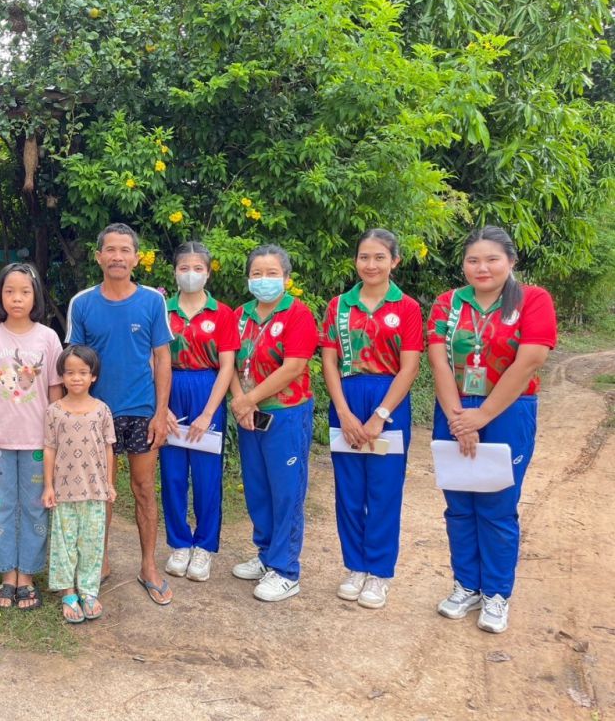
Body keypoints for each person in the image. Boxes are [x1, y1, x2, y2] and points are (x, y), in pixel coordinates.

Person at [427, 226, 556, 634]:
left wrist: (481, 416)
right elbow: (438, 360)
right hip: (454, 407)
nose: (482, 268)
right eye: (473, 260)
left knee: (498, 504)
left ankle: (497, 594)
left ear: (511, 261)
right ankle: (466, 585)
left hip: (508, 409)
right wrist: (459, 417)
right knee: (459, 503)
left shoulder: (532, 299)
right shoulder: (448, 302)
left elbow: (530, 359)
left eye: (492, 259)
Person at [66, 222, 174, 605]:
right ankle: (99, 561)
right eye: (110, 250)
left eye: (125, 250)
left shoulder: (152, 301)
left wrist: (161, 413)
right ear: (98, 257)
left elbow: (162, 358)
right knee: (101, 495)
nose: (117, 257)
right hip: (97, 415)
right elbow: (74, 363)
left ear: (136, 258)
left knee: (143, 488)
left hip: (142, 412)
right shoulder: (82, 303)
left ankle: (148, 566)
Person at [320, 229, 423, 609]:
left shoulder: (407, 307)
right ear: (355, 261)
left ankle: (379, 572)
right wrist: (344, 412)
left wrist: (381, 415)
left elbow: (410, 366)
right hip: (346, 398)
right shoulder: (338, 306)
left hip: (389, 401)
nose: (371, 264)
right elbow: (329, 360)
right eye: (364, 256)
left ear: (395, 261)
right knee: (348, 490)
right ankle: (355, 566)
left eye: (380, 257)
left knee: (383, 491)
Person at [0, 263, 63, 610]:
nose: (17, 298)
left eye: (25, 291)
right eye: (9, 291)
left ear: (35, 296)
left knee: (36, 507)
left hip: (39, 442)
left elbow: (55, 390)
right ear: (0, 296)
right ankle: (7, 574)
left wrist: (54, 439)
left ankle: (28, 575)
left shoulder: (48, 338)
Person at [230, 245, 319, 602]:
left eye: (271, 274)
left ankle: (285, 569)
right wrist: (241, 401)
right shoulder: (240, 315)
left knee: (286, 491)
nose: (263, 280)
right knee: (257, 487)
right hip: (248, 413)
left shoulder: (298, 314)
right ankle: (266, 554)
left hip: (285, 413)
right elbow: (229, 362)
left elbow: (294, 366)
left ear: (286, 278)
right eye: (257, 274)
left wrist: (249, 399)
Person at [159, 242, 238, 582]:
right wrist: (161, 407)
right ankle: (179, 543)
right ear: (174, 271)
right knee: (172, 474)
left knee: (207, 476)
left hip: (208, 389)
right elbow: (152, 359)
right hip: (170, 387)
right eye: (184, 268)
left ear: (208, 273)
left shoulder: (222, 314)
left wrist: (209, 413)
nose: (190, 274)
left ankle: (204, 546)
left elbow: (228, 365)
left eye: (197, 268)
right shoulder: (161, 310)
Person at [42, 345, 117, 623]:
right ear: (62, 376)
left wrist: (109, 484)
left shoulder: (102, 411)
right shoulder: (54, 411)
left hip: (95, 491)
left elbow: (108, 448)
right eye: (70, 372)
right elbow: (49, 448)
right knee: (64, 543)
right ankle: (68, 592)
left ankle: (88, 590)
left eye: (83, 372)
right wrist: (48, 486)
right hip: (63, 492)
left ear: (93, 376)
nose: (76, 378)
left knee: (92, 543)